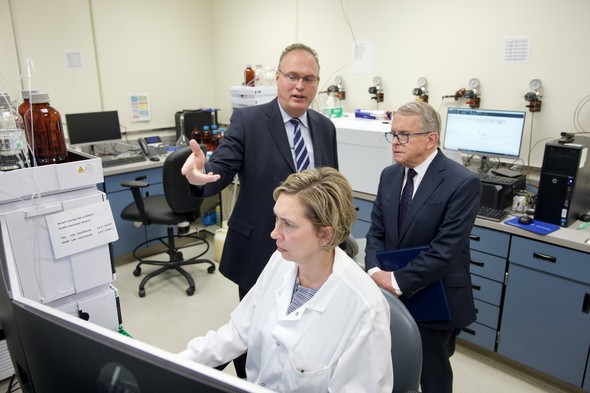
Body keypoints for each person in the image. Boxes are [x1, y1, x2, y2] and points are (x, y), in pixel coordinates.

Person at [179, 167, 393, 392]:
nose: (274, 233)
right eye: (276, 220)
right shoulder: (281, 261)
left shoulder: (365, 308)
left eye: (288, 224)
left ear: (325, 235)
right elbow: (237, 333)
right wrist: (172, 363)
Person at [181, 43, 338, 299]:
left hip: (311, 252)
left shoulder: (325, 127)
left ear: (317, 82)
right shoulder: (248, 121)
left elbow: (331, 187)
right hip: (261, 247)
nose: (300, 85)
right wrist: (200, 177)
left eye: (308, 79)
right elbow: (221, 168)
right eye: (292, 76)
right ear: (278, 78)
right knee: (256, 329)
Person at [364, 101, 481, 393]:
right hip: (389, 294)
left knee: (432, 376)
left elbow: (445, 250)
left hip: (435, 297)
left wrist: (396, 280)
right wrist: (376, 271)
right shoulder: (390, 176)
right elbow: (375, 231)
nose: (396, 142)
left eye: (405, 135)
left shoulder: (462, 182)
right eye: (393, 134)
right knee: (387, 366)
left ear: (431, 139)